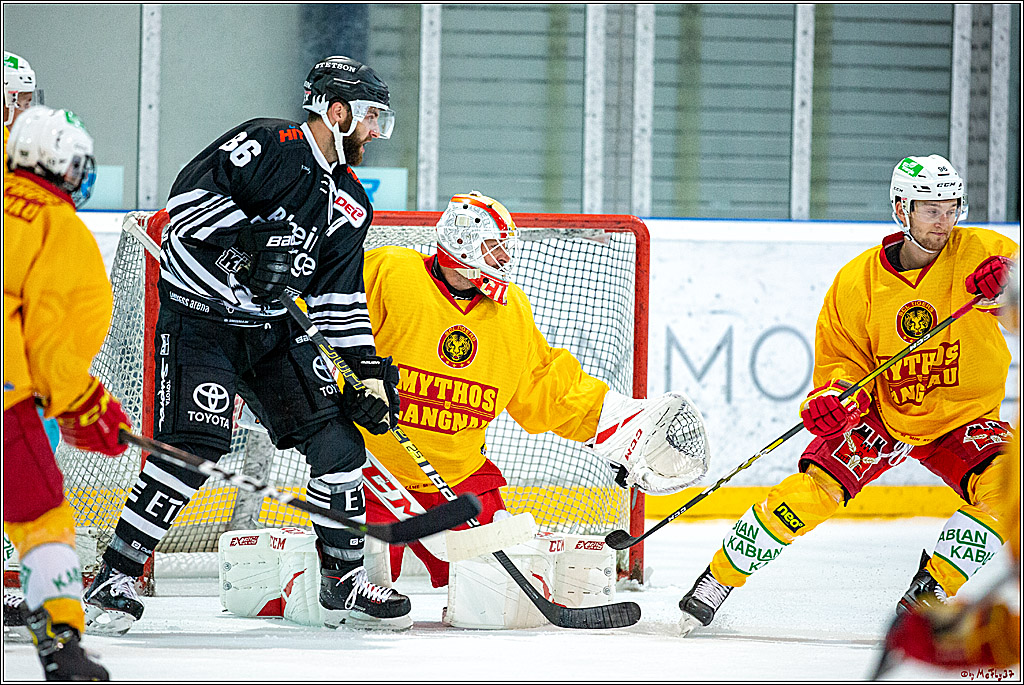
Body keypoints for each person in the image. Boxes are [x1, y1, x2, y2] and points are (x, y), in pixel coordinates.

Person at [82, 55, 411, 633]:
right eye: (370, 118)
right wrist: (253, 245)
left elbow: (338, 299)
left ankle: (343, 580)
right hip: (201, 322)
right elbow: (183, 212)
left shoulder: (352, 203)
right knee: (195, 443)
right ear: (337, 112)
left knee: (337, 439)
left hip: (269, 331)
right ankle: (117, 572)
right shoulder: (268, 144)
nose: (374, 133)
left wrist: (366, 371)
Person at [676, 154, 1018, 636]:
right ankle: (718, 579)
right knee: (812, 490)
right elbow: (843, 362)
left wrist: (1005, 291)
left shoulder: (986, 251)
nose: (944, 222)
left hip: (962, 418)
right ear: (902, 210)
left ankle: (931, 586)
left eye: (951, 208)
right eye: (931, 210)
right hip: (884, 412)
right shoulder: (857, 282)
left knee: (1011, 487)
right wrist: (834, 398)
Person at [359, 191, 710, 591]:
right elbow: (332, 326)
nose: (505, 259)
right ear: (462, 241)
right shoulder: (389, 271)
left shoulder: (510, 311)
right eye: (495, 247)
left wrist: (614, 422)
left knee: (496, 591)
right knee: (360, 595)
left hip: (460, 480)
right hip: (372, 472)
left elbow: (545, 384)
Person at [5, 105, 123, 680]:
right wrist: (85, 405)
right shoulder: (59, 229)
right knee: (42, 518)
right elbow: (52, 347)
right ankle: (60, 643)